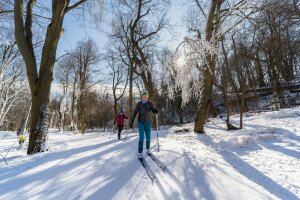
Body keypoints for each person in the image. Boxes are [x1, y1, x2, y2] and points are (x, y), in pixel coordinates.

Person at [130, 91, 158, 158]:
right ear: (142, 97)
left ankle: (148, 149)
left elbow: (153, 110)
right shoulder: (139, 104)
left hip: (148, 122)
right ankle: (140, 152)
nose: (145, 98)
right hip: (141, 123)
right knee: (142, 137)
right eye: (144, 97)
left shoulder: (150, 103)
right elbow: (135, 113)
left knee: (148, 137)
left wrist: (155, 111)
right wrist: (132, 120)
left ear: (148, 97)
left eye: (146, 97)